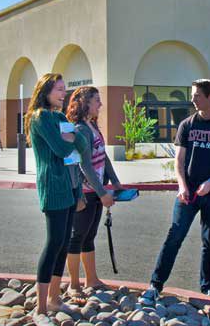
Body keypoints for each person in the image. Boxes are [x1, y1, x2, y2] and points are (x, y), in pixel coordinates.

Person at [139, 79, 210, 304]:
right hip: (188, 194)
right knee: (174, 237)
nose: (192, 99)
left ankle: (207, 289)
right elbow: (179, 160)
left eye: (197, 95)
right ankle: (155, 286)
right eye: (193, 95)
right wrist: (182, 186)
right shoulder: (187, 125)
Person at [27, 73, 80, 323]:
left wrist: (70, 140)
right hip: (53, 187)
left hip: (70, 187)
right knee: (53, 243)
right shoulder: (41, 118)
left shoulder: (60, 117)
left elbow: (77, 148)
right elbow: (61, 148)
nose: (63, 93)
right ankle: (40, 307)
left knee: (64, 244)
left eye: (64, 89)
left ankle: (55, 298)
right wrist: (69, 140)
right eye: (59, 89)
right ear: (45, 91)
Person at [64, 86, 122, 297]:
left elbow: (103, 157)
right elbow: (84, 166)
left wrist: (114, 181)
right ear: (85, 103)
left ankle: (91, 279)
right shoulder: (80, 129)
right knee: (76, 237)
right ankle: (73, 284)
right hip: (85, 192)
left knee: (89, 236)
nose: (100, 104)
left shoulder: (92, 126)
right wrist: (102, 193)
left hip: (95, 191)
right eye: (97, 100)